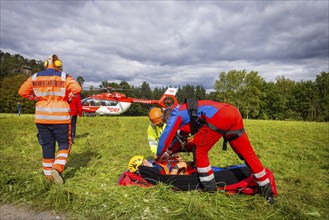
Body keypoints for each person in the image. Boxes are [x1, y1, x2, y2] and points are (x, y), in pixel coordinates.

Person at [156, 99, 275, 204]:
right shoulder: (190, 110)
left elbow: (166, 135)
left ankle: (209, 189)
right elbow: (182, 138)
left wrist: (159, 154)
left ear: (168, 116)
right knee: (247, 153)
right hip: (233, 112)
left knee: (199, 150)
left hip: (220, 116)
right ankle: (267, 191)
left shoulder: (176, 113)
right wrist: (170, 151)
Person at [18, 54, 81, 185]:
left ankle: (48, 177)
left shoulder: (35, 77)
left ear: (45, 65)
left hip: (42, 117)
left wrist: (37, 99)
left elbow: (22, 92)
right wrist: (69, 96)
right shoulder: (64, 76)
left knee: (47, 145)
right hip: (61, 118)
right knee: (65, 144)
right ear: (59, 65)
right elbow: (77, 89)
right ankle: (57, 168)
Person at [128, 154, 194, 175]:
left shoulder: (151, 165)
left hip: (178, 166)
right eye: (143, 162)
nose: (146, 160)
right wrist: (177, 167)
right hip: (183, 172)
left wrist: (173, 157)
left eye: (144, 159)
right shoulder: (153, 172)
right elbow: (168, 180)